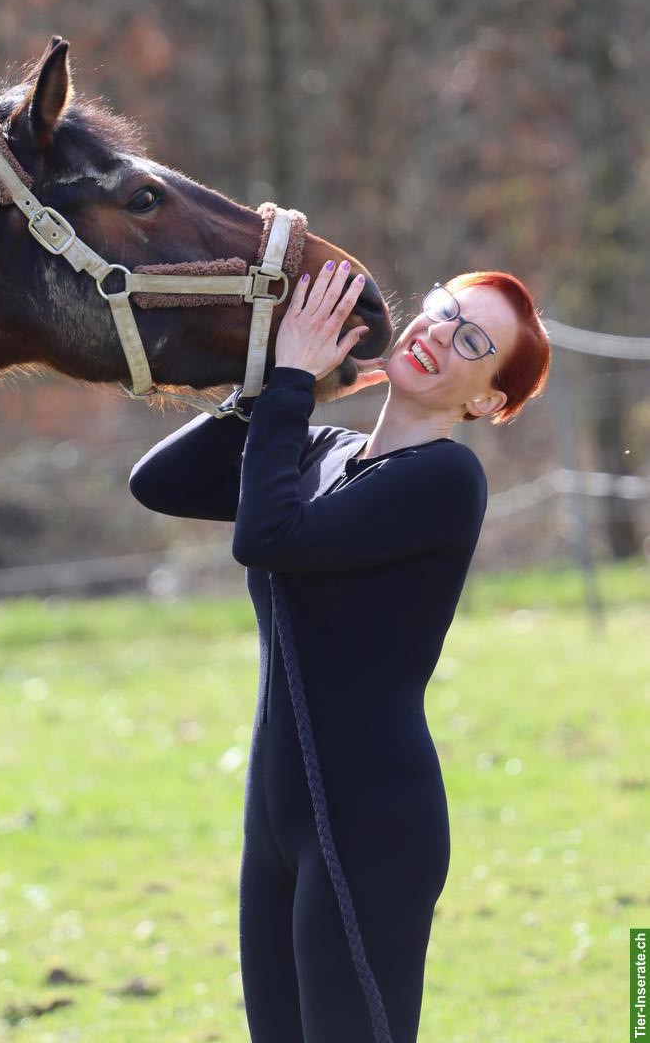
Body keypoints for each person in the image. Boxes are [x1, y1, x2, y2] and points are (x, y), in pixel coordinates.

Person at [129, 260, 551, 1043]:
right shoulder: (317, 449)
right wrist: (276, 392)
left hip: (371, 830)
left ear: (485, 400)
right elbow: (158, 483)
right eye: (441, 310)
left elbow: (266, 539)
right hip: (276, 824)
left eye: (471, 341)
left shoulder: (445, 479)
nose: (436, 335)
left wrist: (292, 381)